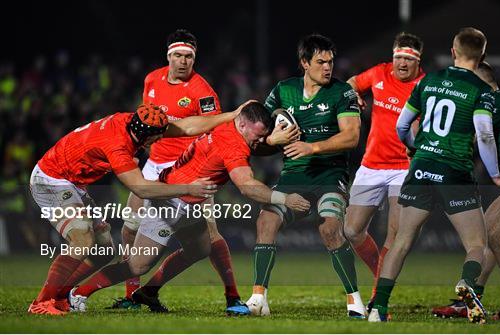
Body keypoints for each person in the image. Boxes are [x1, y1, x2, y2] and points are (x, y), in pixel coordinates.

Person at [67, 102, 311, 313]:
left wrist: (271, 140)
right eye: (256, 137)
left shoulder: (229, 128)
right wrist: (284, 199)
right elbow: (247, 187)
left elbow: (249, 143)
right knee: (137, 265)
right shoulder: (234, 146)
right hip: (171, 201)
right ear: (243, 125)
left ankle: (149, 292)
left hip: (190, 198)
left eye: (261, 137)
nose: (258, 142)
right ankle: (79, 293)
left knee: (201, 248)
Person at [27, 102, 244, 315]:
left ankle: (61, 295)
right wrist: (189, 188)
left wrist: (232, 114)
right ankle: (41, 302)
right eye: (158, 136)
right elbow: (143, 190)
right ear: (147, 136)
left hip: (73, 183)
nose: (161, 139)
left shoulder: (134, 121)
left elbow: (186, 127)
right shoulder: (118, 147)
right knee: (82, 239)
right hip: (51, 180)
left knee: (105, 250)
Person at [367, 27, 500, 324]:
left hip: (420, 167)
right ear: (482, 55)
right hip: (454, 170)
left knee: (401, 241)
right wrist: (495, 175)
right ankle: (467, 283)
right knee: (476, 244)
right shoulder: (481, 90)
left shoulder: (430, 80)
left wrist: (413, 149)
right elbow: (484, 136)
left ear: (453, 51)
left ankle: (377, 308)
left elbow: (401, 126)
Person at [116, 29, 249, 315]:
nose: (183, 61)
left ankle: (233, 296)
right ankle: (132, 294)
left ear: (194, 58)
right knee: (129, 228)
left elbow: (216, 126)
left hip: (190, 170)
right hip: (153, 165)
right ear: (168, 56)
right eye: (178, 55)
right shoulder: (152, 79)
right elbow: (146, 120)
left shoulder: (202, 91)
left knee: (211, 237)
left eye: (189, 56)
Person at [243, 34, 364, 318]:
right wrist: (274, 140)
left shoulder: (341, 92)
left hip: (329, 174)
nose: (327, 67)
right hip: (293, 176)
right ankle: (258, 299)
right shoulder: (283, 91)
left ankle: (354, 300)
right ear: (304, 63)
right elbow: (260, 141)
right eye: (320, 62)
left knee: (329, 228)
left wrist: (313, 147)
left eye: (331, 62)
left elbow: (352, 136)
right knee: (266, 220)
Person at [432, 62, 500, 320]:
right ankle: (469, 299)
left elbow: (475, 134)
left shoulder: (490, 101)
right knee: (484, 234)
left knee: (495, 234)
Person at [344, 32, 425, 302]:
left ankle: (380, 297)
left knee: (395, 233)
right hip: (371, 165)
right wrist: (353, 95)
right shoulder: (380, 73)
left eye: (407, 58)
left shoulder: (426, 86)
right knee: (352, 230)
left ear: (418, 60)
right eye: (397, 57)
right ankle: (382, 274)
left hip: (405, 167)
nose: (401, 63)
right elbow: (351, 83)